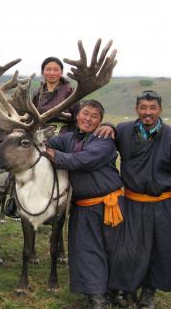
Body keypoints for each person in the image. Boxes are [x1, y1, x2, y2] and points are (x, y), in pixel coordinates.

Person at [108, 91, 171, 309]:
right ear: (136, 109)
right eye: (143, 108)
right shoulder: (123, 131)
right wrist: (108, 125)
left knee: (160, 251)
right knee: (127, 250)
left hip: (164, 206)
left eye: (152, 108)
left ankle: (149, 294)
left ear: (160, 109)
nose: (147, 113)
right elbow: (109, 132)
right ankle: (127, 290)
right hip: (131, 202)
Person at [45, 100, 123, 309]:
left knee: (112, 250)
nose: (88, 119)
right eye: (85, 113)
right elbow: (47, 143)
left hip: (109, 206)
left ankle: (115, 293)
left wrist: (55, 155)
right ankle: (97, 299)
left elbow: (82, 160)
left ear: (100, 121)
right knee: (84, 252)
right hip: (83, 206)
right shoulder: (69, 138)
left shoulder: (104, 140)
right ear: (77, 115)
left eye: (94, 116)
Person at [32, 56, 78, 134]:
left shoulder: (70, 92)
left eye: (56, 70)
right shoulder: (37, 93)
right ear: (43, 72)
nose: (52, 73)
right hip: (40, 134)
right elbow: (31, 115)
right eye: (48, 69)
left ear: (62, 72)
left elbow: (78, 116)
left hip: (64, 135)